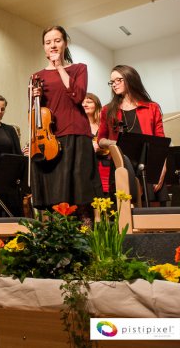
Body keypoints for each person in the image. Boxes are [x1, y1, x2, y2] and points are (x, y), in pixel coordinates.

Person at [30, 26, 103, 223]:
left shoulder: (79, 69)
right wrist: (35, 98)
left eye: (57, 40)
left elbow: (78, 96)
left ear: (65, 43)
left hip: (75, 132)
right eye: (48, 42)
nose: (52, 45)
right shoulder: (37, 76)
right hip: (50, 138)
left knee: (79, 191)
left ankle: (87, 236)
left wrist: (60, 67)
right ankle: (59, 236)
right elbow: (34, 114)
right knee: (56, 193)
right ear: (44, 47)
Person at [97, 65, 167, 204]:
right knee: (124, 209)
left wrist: (162, 168)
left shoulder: (152, 107)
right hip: (121, 164)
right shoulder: (107, 110)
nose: (114, 84)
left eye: (119, 80)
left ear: (130, 79)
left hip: (148, 163)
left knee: (153, 209)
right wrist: (115, 143)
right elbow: (100, 140)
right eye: (112, 82)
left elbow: (161, 142)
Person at [83, 93, 110, 194]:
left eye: (89, 102)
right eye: (82, 102)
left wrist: (102, 148)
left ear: (97, 105)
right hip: (87, 168)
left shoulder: (105, 124)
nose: (84, 104)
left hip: (106, 166)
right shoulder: (77, 126)